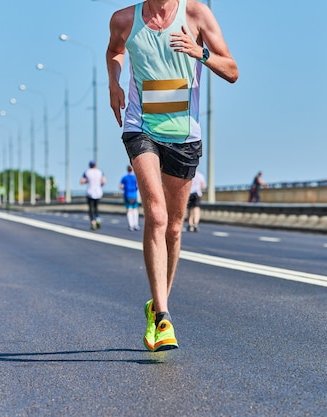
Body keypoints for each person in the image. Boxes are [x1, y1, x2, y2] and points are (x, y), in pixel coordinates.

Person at [107, 0, 238, 351]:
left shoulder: (196, 14)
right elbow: (115, 51)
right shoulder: (124, 19)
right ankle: (163, 316)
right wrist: (113, 83)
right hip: (141, 127)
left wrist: (201, 52)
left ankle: (156, 304)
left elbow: (232, 70)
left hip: (183, 134)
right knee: (158, 214)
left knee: (176, 228)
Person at [80, 160, 106, 230]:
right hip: (98, 192)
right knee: (96, 207)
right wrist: (99, 185)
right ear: (95, 165)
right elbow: (103, 181)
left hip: (90, 192)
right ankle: (97, 219)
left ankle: (93, 222)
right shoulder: (100, 172)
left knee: (90, 208)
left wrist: (87, 181)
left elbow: (82, 181)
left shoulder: (87, 172)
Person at [119, 165, 140, 231]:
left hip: (127, 195)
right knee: (135, 210)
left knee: (129, 210)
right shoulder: (135, 177)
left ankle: (131, 225)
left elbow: (121, 186)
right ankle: (136, 224)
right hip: (134, 195)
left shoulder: (125, 178)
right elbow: (138, 185)